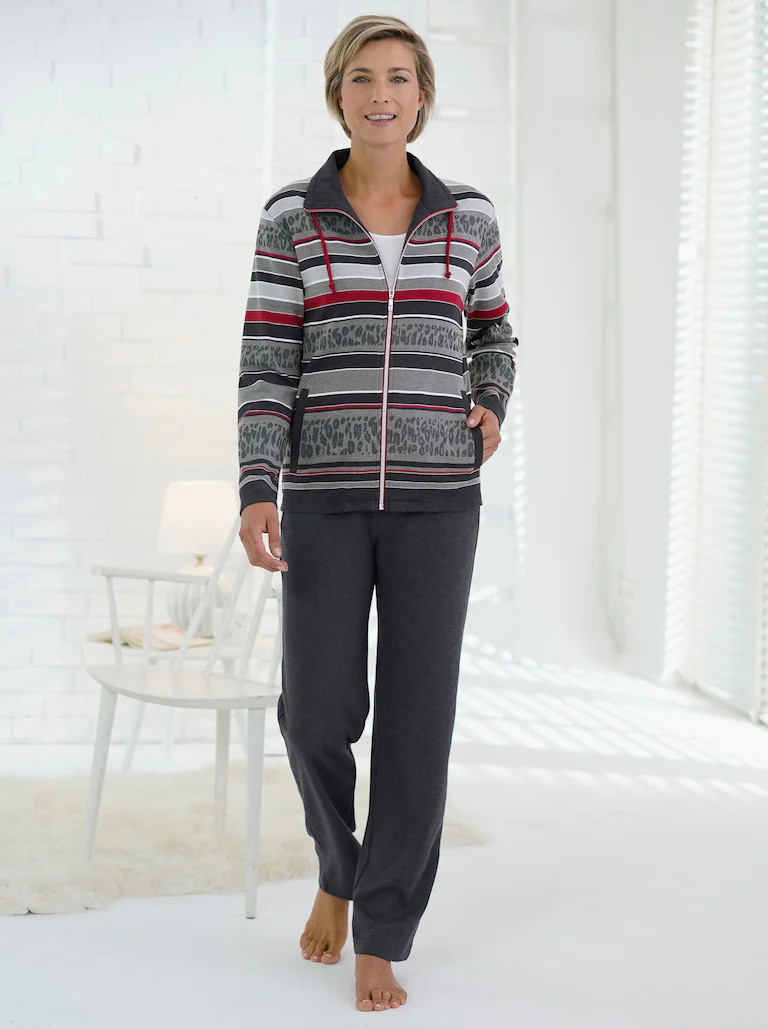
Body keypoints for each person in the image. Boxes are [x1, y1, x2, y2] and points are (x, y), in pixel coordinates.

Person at [237, 14, 519, 1013]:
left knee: (415, 723)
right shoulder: (293, 217)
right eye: (362, 77)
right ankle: (338, 866)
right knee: (316, 711)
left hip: (440, 502)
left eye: (399, 77)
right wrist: (258, 483)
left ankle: (383, 929)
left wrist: (491, 398)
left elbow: (494, 332)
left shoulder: (470, 217)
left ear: (422, 96)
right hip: (323, 497)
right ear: (338, 95)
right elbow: (268, 358)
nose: (381, 93)